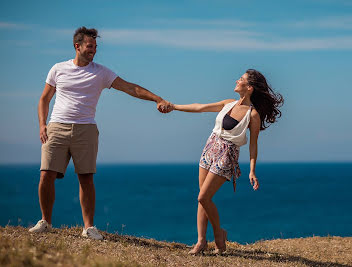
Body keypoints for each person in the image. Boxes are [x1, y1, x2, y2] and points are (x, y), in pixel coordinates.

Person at [29, 26, 172, 240]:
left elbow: (130, 88)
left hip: (86, 129)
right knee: (46, 174)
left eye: (95, 47)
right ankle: (46, 222)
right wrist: (42, 124)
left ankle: (88, 228)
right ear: (77, 46)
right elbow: (44, 99)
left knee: (86, 178)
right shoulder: (58, 69)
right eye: (89, 46)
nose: (93, 50)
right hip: (56, 126)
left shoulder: (101, 72)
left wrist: (157, 98)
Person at [171, 69, 283, 254]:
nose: (236, 80)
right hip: (209, 149)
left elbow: (253, 145)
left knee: (203, 197)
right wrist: (174, 106)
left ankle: (219, 237)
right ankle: (201, 242)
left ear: (249, 88)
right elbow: (200, 107)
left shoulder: (252, 115)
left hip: (227, 155)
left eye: (241, 79)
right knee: (202, 200)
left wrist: (252, 170)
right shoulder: (227, 103)